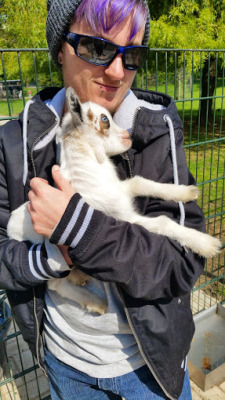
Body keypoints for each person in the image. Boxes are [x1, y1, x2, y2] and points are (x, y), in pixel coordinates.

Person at [0, 0, 206, 399]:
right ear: (60, 48)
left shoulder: (155, 130)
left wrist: (80, 229)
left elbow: (182, 263)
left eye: (133, 55)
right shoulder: (15, 142)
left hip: (149, 368)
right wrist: (51, 259)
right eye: (97, 48)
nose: (116, 71)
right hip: (65, 362)